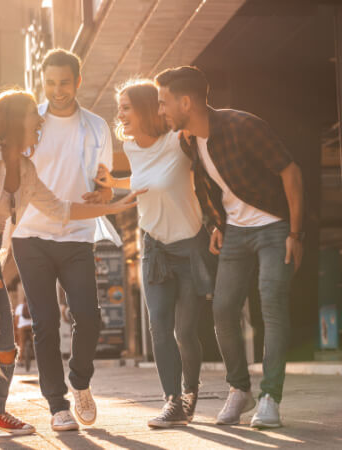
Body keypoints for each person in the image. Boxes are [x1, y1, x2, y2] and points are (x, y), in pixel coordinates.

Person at [0, 88, 144, 445]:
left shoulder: (24, 170)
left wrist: (114, 208)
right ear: (14, 121)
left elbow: (61, 209)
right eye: (33, 117)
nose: (40, 122)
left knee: (7, 344)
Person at [155, 66, 305, 429]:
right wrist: (216, 225)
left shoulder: (242, 126)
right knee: (222, 310)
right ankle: (240, 389)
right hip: (236, 232)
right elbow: (209, 187)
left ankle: (270, 397)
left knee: (270, 305)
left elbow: (291, 172)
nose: (161, 111)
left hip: (274, 227)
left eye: (164, 102)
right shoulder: (190, 140)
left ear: (185, 101)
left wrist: (295, 235)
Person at [95, 79, 216, 428]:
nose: (120, 113)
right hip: (154, 249)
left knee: (185, 331)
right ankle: (172, 401)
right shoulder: (132, 148)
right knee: (159, 327)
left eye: (126, 106)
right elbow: (141, 179)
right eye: (120, 107)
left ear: (148, 108)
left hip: (189, 248)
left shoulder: (178, 142)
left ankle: (191, 391)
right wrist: (111, 183)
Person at [11, 48, 121, 432]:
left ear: (77, 81)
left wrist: (103, 196)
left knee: (88, 316)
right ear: (43, 84)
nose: (57, 91)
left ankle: (80, 381)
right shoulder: (32, 123)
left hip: (76, 234)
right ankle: (57, 404)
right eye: (50, 83)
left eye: (64, 82)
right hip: (30, 234)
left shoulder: (96, 127)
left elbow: (104, 182)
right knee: (43, 322)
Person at [14, 302, 34, 371]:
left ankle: (20, 360)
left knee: (21, 343)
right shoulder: (34, 305)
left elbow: (16, 319)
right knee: (36, 342)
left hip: (22, 327)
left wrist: (17, 329)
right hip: (32, 326)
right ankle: (40, 359)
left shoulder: (20, 306)